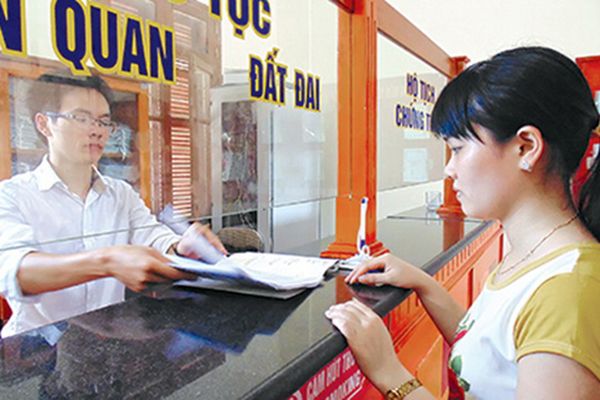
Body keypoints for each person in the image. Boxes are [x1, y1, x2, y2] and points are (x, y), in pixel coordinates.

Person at [325, 47, 600, 399]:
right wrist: (424, 284)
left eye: (457, 148)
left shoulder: (568, 295)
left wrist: (388, 372)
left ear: (526, 147)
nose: (449, 169)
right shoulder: (535, 256)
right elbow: (490, 359)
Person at [0, 71, 226, 337]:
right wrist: (106, 261)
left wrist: (180, 247)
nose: (96, 130)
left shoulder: (120, 194)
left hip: (106, 341)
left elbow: (153, 236)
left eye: (104, 121)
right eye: (81, 118)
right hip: (37, 345)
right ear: (44, 124)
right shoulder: (11, 195)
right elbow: (15, 271)